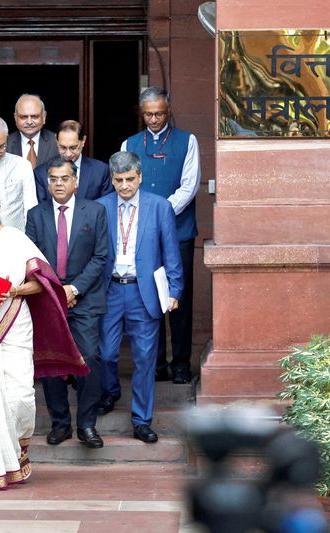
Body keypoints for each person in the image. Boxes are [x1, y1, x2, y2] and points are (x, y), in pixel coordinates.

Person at [0, 185, 88, 490]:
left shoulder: (15, 240)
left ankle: (15, 456)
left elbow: (43, 284)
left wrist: (14, 290)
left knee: (18, 394)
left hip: (12, 320)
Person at [96, 151, 183, 444]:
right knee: (106, 353)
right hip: (109, 290)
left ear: (140, 176)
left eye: (129, 179)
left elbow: (171, 251)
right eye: (118, 180)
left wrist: (174, 291)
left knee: (145, 358)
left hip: (142, 291)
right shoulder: (100, 207)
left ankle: (141, 419)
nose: (124, 186)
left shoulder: (159, 207)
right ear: (112, 179)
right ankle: (110, 391)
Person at [25, 157, 109, 448]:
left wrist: (74, 289)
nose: (58, 184)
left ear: (75, 181)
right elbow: (33, 258)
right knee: (51, 361)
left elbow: (101, 257)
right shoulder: (35, 215)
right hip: (48, 298)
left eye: (63, 179)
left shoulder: (95, 211)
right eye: (53, 179)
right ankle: (60, 424)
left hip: (84, 299)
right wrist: (56, 291)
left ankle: (86, 424)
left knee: (90, 357)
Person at [120, 86, 200, 384]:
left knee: (178, 299)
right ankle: (155, 364)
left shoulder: (186, 141)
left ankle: (181, 363)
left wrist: (160, 213)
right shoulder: (130, 143)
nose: (154, 119)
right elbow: (125, 185)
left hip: (178, 232)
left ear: (169, 110)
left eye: (160, 113)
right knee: (149, 298)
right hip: (143, 235)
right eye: (149, 114)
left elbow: (190, 186)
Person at [34, 120, 113, 203]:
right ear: (56, 141)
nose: (68, 154)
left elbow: (105, 207)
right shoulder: (41, 173)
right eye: (63, 147)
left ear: (83, 141)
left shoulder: (101, 171)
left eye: (73, 148)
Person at [6, 94, 59, 169]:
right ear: (15, 118)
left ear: (44, 117)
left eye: (34, 116)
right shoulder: (5, 144)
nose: (29, 122)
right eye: (24, 117)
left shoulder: (57, 142)